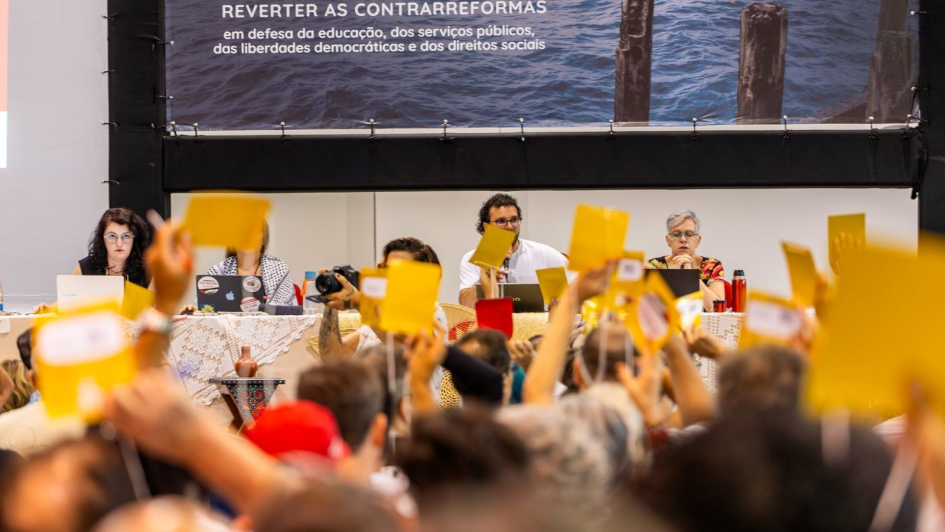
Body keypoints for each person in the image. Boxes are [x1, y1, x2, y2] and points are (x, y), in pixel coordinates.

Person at [459, 193, 569, 308]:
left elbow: (576, 292)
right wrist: (491, 268)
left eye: (514, 220)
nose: (510, 226)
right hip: (492, 324)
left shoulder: (545, 255)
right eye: (501, 221)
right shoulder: (472, 259)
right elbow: (467, 305)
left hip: (537, 324)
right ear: (486, 226)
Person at [645, 209, 725, 311]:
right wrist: (672, 275)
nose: (683, 239)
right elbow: (648, 310)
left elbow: (717, 309)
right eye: (676, 234)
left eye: (690, 234)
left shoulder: (712, 266)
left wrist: (691, 276)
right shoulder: (654, 265)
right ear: (668, 240)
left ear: (698, 241)